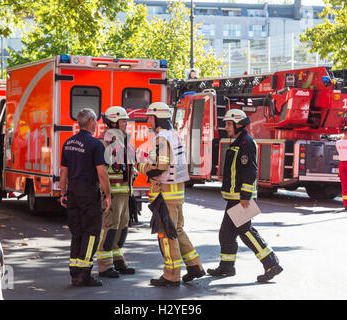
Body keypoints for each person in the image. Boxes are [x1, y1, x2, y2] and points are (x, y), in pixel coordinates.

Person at [207, 109, 283, 283]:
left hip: (242, 198)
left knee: (245, 231)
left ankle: (271, 263)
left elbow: (250, 171)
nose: (226, 128)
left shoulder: (246, 143)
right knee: (226, 234)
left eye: (228, 124)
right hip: (235, 198)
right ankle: (227, 267)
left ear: (238, 124)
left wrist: (245, 196)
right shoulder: (238, 142)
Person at [136, 102, 205, 287]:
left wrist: (139, 165)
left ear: (157, 118)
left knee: (167, 236)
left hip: (165, 195)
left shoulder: (162, 138)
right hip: (176, 193)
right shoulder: (174, 136)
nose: (148, 121)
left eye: (150, 117)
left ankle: (171, 275)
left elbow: (159, 167)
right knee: (177, 231)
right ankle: (194, 266)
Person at [59, 109, 111, 287]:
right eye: (95, 120)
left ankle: (74, 272)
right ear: (90, 122)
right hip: (88, 193)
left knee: (77, 232)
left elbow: (63, 172)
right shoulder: (95, 144)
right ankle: (84, 274)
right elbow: (101, 173)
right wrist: (108, 195)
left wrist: (62, 193)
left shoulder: (68, 143)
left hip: (73, 192)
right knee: (91, 234)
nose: (96, 124)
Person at [96, 106, 136, 278]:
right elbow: (101, 170)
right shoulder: (104, 141)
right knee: (109, 228)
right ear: (112, 122)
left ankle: (118, 260)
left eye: (126, 120)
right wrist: (106, 194)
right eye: (123, 121)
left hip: (125, 192)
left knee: (122, 228)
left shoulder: (124, 139)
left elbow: (130, 164)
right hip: (112, 193)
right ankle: (105, 265)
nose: (126, 123)